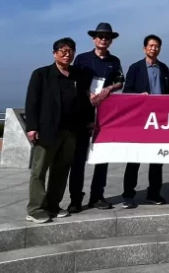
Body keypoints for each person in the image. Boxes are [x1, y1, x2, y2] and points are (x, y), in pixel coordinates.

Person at [25, 38, 92, 223]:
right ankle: (35, 208)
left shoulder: (77, 76)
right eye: (62, 50)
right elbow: (32, 102)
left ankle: (53, 205)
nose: (67, 54)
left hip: (71, 132)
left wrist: (88, 121)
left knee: (61, 170)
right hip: (47, 131)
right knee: (39, 171)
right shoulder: (42, 74)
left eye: (70, 50)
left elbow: (85, 102)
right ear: (54, 53)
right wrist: (31, 127)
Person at [68, 22, 124, 213]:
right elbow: (73, 81)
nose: (103, 39)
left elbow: (120, 81)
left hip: (105, 116)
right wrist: (87, 93)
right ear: (94, 38)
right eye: (100, 36)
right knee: (78, 159)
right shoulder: (82, 59)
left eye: (107, 37)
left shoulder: (114, 61)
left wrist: (109, 88)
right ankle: (75, 199)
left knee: (102, 158)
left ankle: (97, 196)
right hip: (83, 113)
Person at [121, 35, 169, 208]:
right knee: (134, 160)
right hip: (140, 121)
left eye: (156, 46)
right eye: (150, 46)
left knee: (157, 160)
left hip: (159, 121)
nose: (153, 49)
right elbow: (126, 93)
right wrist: (137, 97)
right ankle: (128, 195)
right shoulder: (135, 68)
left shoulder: (164, 68)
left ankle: (154, 193)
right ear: (144, 49)